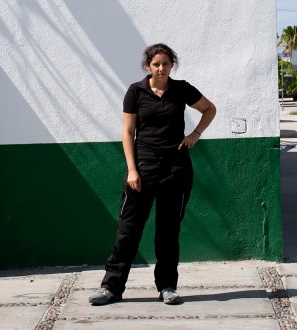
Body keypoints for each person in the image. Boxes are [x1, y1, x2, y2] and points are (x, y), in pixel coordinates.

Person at [89, 43, 217, 306]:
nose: (161, 68)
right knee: (128, 230)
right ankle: (111, 287)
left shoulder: (181, 89)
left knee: (168, 231)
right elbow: (128, 132)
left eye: (166, 64)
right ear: (148, 65)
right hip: (143, 168)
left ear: (172, 65)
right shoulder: (136, 91)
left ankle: (167, 286)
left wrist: (195, 134)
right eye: (156, 64)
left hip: (176, 169)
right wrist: (132, 170)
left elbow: (209, 109)